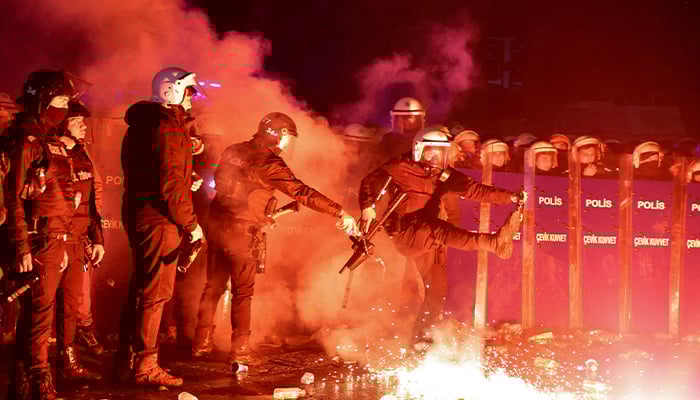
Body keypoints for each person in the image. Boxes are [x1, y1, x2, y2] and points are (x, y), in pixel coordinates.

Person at [191, 112, 358, 372]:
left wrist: (263, 213)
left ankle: (201, 343)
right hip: (242, 232)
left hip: (216, 225)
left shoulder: (233, 150)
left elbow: (232, 189)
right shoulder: (270, 164)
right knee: (242, 293)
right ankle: (240, 352)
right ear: (277, 135)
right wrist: (339, 211)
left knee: (213, 286)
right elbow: (301, 192)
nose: (289, 144)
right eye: (288, 137)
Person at [358, 126, 525, 345]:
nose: (436, 158)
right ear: (419, 150)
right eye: (431, 152)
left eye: (441, 152)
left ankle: (420, 337)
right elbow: (370, 182)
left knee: (437, 286)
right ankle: (492, 242)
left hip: (427, 236)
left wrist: (511, 197)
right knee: (435, 227)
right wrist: (367, 206)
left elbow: (475, 190)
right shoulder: (400, 166)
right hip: (406, 232)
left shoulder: (444, 174)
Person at [114, 67, 204, 387]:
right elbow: (168, 184)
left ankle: (125, 361)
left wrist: (183, 179)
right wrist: (191, 225)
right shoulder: (166, 125)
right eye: (189, 91)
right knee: (155, 294)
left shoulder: (142, 123)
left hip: (143, 214)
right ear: (171, 91)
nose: (193, 98)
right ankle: (145, 366)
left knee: (141, 289)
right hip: (160, 220)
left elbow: (151, 171)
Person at [5, 69, 78, 400]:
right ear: (43, 101)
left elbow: (57, 193)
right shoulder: (26, 140)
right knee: (37, 315)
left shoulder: (50, 140)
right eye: (62, 100)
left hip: (54, 237)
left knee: (42, 312)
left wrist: (62, 238)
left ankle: (26, 381)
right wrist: (21, 245)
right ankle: (38, 381)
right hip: (36, 238)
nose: (66, 108)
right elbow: (15, 197)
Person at [53, 100, 103, 380]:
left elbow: (92, 203)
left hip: (77, 241)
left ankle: (67, 362)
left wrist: (97, 239)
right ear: (62, 122)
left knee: (70, 305)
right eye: (77, 121)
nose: (84, 126)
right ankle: (31, 372)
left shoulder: (83, 156)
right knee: (41, 307)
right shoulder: (46, 152)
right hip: (51, 241)